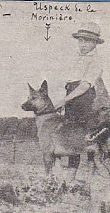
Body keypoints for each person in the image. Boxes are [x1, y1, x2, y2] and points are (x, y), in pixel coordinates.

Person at [55, 22, 109, 176]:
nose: (83, 44)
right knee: (71, 139)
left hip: (85, 100)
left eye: (88, 41)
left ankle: (85, 178)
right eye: (81, 40)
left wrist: (64, 101)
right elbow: (69, 83)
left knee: (80, 139)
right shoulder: (76, 58)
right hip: (72, 98)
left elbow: (85, 86)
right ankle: (68, 179)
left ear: (95, 43)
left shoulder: (96, 60)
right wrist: (65, 100)